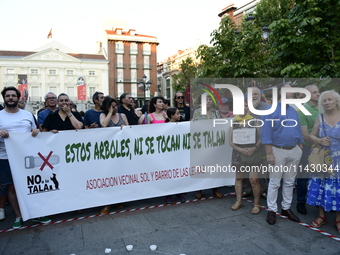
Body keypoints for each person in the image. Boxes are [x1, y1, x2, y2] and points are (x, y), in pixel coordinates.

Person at [0, 86, 49, 228]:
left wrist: (35, 131)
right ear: (4, 98)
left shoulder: (27, 115)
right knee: (12, 187)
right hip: (5, 157)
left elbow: (35, 131)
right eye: (8, 96)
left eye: (13, 96)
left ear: (18, 98)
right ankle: (18, 216)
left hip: (27, 156)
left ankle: (37, 213)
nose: (10, 98)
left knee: (33, 185)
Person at [261, 83, 303, 225]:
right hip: (277, 151)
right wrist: (269, 154)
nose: (292, 93)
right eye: (289, 91)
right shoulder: (270, 110)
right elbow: (265, 134)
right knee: (274, 182)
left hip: (294, 150)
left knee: (290, 182)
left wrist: (300, 148)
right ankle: (272, 210)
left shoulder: (293, 111)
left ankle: (286, 208)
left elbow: (298, 131)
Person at [307, 90, 340, 234]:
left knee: (338, 188)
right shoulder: (319, 118)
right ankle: (322, 216)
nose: (327, 102)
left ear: (336, 101)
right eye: (324, 101)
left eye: (329, 100)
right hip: (323, 158)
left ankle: (338, 218)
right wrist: (319, 140)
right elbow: (311, 135)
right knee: (321, 185)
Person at [229, 100, 262, 214]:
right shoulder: (234, 122)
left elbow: (261, 138)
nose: (243, 108)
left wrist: (254, 148)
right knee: (239, 178)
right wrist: (241, 150)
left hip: (253, 153)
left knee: (254, 180)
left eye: (246, 106)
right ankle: (239, 201)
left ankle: (257, 204)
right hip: (238, 154)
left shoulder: (255, 121)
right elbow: (231, 142)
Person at [99, 96, 129, 214]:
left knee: (121, 175)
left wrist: (124, 128)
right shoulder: (103, 115)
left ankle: (119, 198)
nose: (115, 108)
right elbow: (104, 126)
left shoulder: (123, 116)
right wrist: (110, 112)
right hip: (110, 152)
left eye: (115, 106)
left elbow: (129, 128)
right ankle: (107, 202)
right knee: (109, 175)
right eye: (112, 106)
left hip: (123, 150)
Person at [193, 93, 223, 199]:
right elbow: (195, 126)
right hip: (202, 144)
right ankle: (199, 190)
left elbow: (221, 126)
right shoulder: (197, 112)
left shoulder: (216, 112)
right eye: (206, 99)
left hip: (214, 144)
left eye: (210, 99)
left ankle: (215, 189)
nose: (209, 101)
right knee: (201, 167)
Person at [296, 85, 320, 215]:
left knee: (322, 175)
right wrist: (318, 142)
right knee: (304, 176)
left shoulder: (324, 108)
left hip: (325, 148)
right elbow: (304, 134)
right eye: (314, 92)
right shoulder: (303, 110)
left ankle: (319, 201)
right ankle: (301, 202)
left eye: (318, 92)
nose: (318, 94)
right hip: (308, 147)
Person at [243, 87, 270, 199]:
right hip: (246, 143)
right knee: (246, 167)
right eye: (252, 94)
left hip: (262, 142)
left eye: (256, 94)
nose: (254, 96)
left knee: (262, 168)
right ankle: (246, 189)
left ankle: (263, 190)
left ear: (260, 95)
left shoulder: (267, 107)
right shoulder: (244, 107)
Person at [163, 107, 186, 204]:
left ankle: (178, 193)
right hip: (169, 154)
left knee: (178, 173)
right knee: (169, 173)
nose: (179, 115)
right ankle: (168, 195)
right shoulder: (164, 126)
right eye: (177, 113)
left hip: (179, 154)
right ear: (172, 115)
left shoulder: (182, 125)